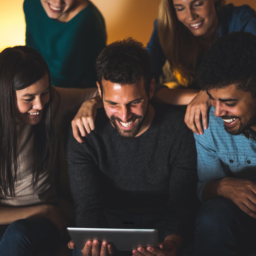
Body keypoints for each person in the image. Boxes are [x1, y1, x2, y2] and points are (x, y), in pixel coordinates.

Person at [66, 38, 197, 256]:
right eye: (113, 104)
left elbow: (181, 203)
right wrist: (93, 240)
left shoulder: (178, 130)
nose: (125, 116)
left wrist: (174, 241)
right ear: (99, 91)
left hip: (163, 222)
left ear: (152, 88)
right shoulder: (84, 133)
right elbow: (87, 205)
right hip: (109, 222)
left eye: (134, 102)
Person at [0, 45, 97, 256]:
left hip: (39, 226)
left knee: (18, 234)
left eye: (44, 93)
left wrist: (90, 104)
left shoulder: (53, 101)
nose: (40, 105)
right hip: (33, 214)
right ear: (5, 95)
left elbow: (103, 93)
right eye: (28, 99)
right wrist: (42, 210)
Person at [146, 0, 256, 135]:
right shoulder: (165, 27)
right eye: (180, 8)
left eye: (198, 4)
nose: (191, 16)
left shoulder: (242, 19)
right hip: (198, 121)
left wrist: (209, 94)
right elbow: (143, 84)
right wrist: (200, 96)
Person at [193, 32, 256, 256]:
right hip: (238, 217)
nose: (218, 112)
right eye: (212, 98)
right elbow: (202, 188)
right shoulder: (209, 123)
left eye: (229, 103)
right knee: (212, 216)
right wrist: (222, 186)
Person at [24, 0, 106, 88]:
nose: (57, 3)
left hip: (70, 92)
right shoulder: (30, 3)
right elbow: (30, 48)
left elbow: (96, 76)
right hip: (35, 82)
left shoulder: (90, 20)